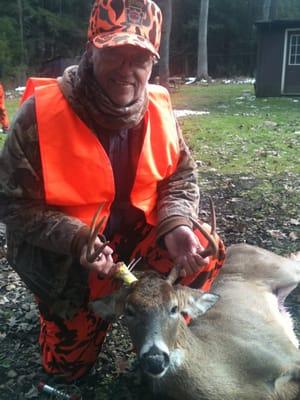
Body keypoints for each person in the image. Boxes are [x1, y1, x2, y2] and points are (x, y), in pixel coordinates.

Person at [0, 0, 225, 382]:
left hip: (137, 240)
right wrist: (75, 240)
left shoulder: (158, 107)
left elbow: (181, 176)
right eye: (115, 54)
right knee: (67, 370)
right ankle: (99, 313)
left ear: (152, 63)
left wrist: (175, 223)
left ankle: (159, 325)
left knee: (205, 250)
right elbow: (12, 206)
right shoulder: (38, 116)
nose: (127, 70)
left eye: (140, 59)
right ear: (90, 52)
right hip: (71, 262)